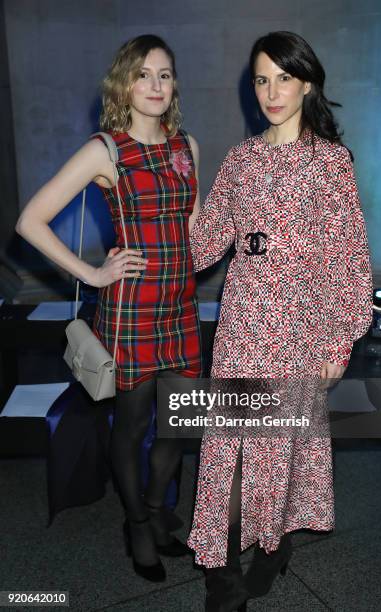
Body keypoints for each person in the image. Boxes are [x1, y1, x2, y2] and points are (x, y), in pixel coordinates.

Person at [186, 31, 373, 611]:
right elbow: (203, 244)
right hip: (243, 326)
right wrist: (179, 180)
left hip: (301, 330)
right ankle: (221, 571)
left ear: (307, 82)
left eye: (283, 78)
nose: (271, 91)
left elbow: (349, 256)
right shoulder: (240, 160)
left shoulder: (330, 162)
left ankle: (274, 546)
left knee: (283, 448)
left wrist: (340, 341)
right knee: (230, 451)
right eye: (261, 79)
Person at [16, 34, 202, 583]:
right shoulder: (107, 149)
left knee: (177, 424)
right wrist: (95, 274)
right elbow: (31, 220)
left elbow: (194, 226)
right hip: (131, 308)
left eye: (164, 74)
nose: (155, 85)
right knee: (133, 424)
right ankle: (139, 522)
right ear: (124, 83)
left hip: (181, 305)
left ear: (174, 85)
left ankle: (154, 504)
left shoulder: (185, 145)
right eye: (143, 74)